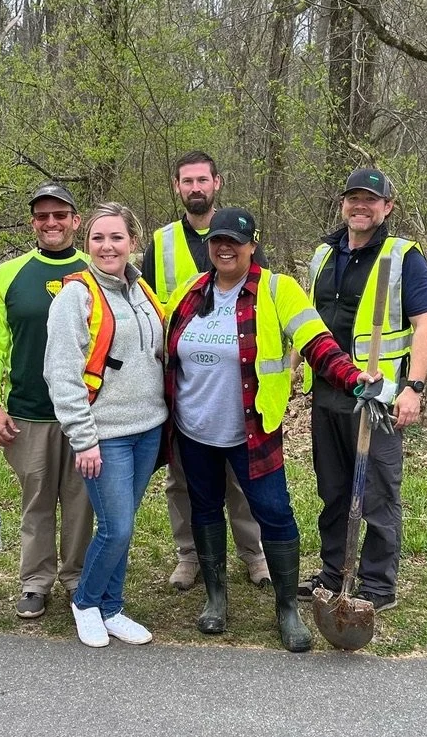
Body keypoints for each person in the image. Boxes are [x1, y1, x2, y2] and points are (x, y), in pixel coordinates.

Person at [165, 207, 376, 653]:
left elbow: (318, 343)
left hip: (252, 432)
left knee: (274, 513)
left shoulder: (277, 290)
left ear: (251, 246)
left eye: (235, 242)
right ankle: (216, 599)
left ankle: (287, 609)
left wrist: (354, 377)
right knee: (204, 508)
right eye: (218, 240)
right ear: (209, 245)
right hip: (194, 430)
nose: (225, 248)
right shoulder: (190, 292)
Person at [298, 168, 427, 613]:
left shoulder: (402, 257)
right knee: (334, 489)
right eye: (353, 198)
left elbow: (426, 324)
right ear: (343, 204)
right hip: (327, 392)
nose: (361, 206)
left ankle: (377, 586)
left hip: (377, 397)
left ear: (387, 206)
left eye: (371, 200)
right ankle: (333, 572)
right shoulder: (323, 253)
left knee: (376, 491)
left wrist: (413, 387)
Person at [141, 150, 269, 590]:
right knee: (183, 480)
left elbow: (265, 301)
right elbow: (146, 303)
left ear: (217, 182)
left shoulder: (241, 232)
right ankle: (190, 556)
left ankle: (254, 556)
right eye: (186, 181)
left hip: (238, 380)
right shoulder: (160, 242)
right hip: (183, 381)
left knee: (241, 476)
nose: (195, 188)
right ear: (176, 187)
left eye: (202, 180)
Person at [45, 202, 167, 648]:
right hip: (105, 435)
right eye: (98, 238)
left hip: (148, 428)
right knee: (116, 527)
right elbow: (61, 374)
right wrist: (84, 439)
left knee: (125, 523)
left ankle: (112, 608)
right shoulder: (75, 296)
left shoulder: (142, 290)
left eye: (116, 237)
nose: (107, 246)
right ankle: (85, 601)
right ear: (87, 243)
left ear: (132, 242)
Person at [0, 183, 94, 620]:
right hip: (27, 411)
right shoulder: (9, 274)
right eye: (42, 216)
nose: (51, 223)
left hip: (86, 414)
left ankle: (78, 577)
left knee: (82, 501)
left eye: (60, 215)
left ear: (75, 221)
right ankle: (35, 582)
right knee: (37, 499)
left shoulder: (96, 270)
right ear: (33, 222)